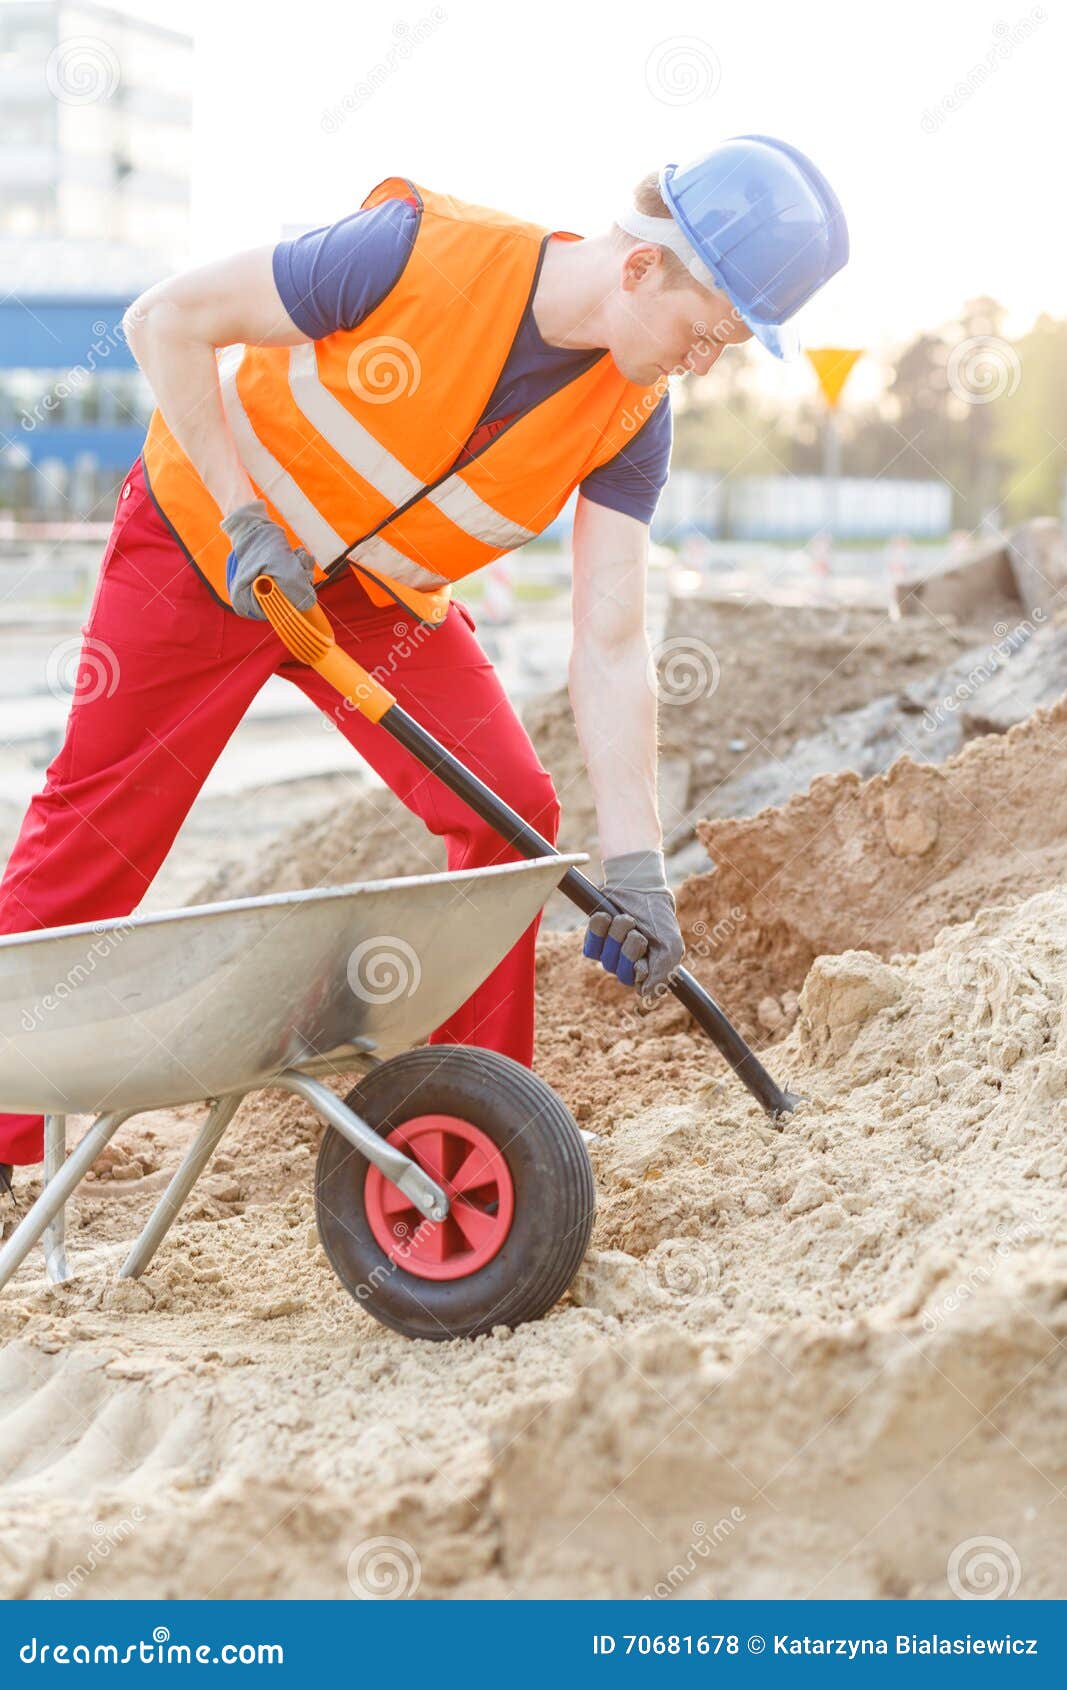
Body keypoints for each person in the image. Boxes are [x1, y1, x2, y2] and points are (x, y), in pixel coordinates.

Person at [0, 135, 849, 1184]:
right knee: (99, 830)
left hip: (370, 605)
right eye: (704, 329)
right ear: (640, 267)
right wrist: (239, 519)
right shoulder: (411, 252)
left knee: (510, 813)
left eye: (724, 343)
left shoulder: (630, 417)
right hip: (202, 550)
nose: (701, 359)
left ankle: (480, 1129)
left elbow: (612, 638)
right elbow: (162, 318)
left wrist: (638, 865)